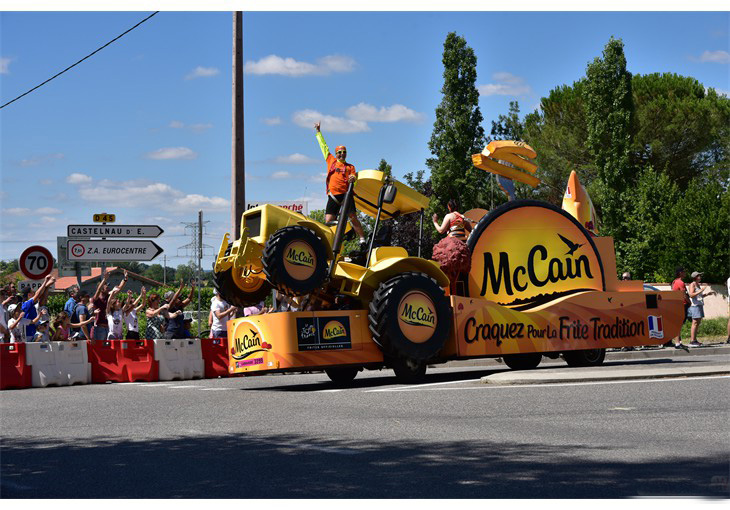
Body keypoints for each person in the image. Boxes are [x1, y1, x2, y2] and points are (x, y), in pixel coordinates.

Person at [314, 121, 366, 245]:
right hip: (333, 195)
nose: (342, 154)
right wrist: (318, 132)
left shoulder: (350, 166)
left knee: (353, 217)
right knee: (328, 221)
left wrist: (353, 178)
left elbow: (354, 176)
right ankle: (332, 241)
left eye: (344, 152)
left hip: (346, 195)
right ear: (336, 154)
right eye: (339, 152)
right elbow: (323, 146)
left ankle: (362, 239)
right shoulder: (331, 161)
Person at [431, 198, 473, 293]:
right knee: (457, 275)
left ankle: (450, 294)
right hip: (462, 249)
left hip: (451, 247)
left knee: (446, 272)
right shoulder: (463, 217)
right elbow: (471, 231)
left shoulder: (449, 216)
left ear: (449, 207)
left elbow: (441, 230)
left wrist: (435, 222)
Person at [91, 270, 128, 340]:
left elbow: (119, 289)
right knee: (101, 347)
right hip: (100, 328)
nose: (108, 287)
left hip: (109, 328)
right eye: (106, 286)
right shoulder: (96, 298)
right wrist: (104, 279)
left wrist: (125, 279)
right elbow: (98, 290)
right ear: (102, 289)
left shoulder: (108, 296)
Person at [20, 275, 55, 340]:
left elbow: (41, 298)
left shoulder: (30, 305)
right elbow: (38, 294)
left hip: (32, 333)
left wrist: (47, 286)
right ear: (29, 295)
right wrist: (45, 281)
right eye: (32, 292)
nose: (34, 293)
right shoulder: (26, 304)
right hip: (28, 335)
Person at [687, 271, 715, 347]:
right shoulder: (692, 284)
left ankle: (694, 340)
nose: (700, 277)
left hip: (699, 305)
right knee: (695, 323)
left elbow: (699, 296)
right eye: (699, 276)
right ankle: (692, 341)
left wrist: (707, 294)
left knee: (697, 323)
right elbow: (691, 295)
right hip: (695, 306)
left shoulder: (697, 285)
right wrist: (701, 290)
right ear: (695, 277)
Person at [670, 267, 690, 349]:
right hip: (681, 305)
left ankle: (679, 341)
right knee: (678, 324)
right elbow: (683, 295)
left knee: (679, 324)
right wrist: (689, 302)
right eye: (684, 271)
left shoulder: (674, 281)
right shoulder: (680, 282)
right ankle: (677, 343)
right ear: (680, 273)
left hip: (677, 304)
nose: (685, 273)